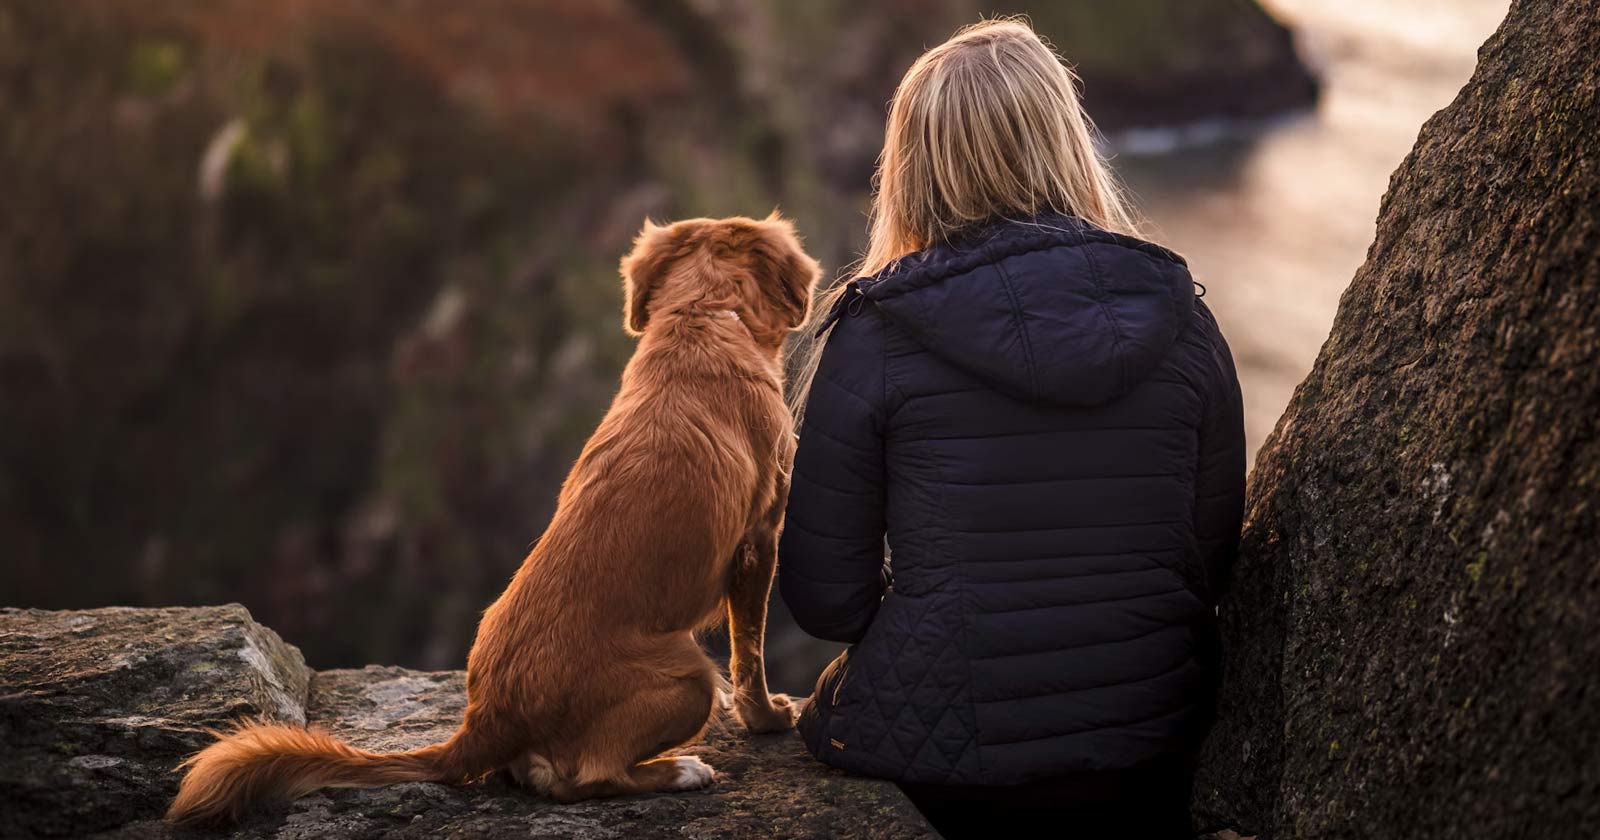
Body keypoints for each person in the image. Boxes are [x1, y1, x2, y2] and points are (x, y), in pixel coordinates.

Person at [777, 18, 1246, 839]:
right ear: (1066, 139)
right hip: (1148, 744)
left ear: (914, 164)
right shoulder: (1181, 315)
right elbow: (1206, 563)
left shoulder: (878, 330)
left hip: (950, 772)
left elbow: (826, 600)